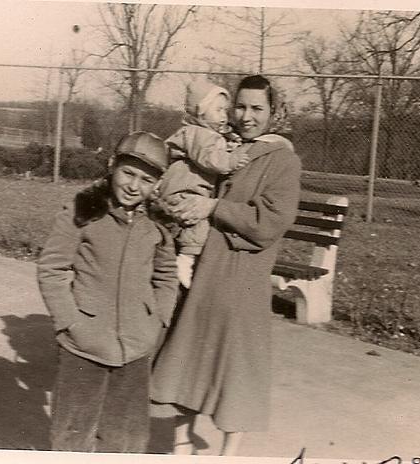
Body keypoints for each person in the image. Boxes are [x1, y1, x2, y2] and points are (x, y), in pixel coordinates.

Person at [151, 75, 302, 456]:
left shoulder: (282, 159)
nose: (247, 116)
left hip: (241, 273)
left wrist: (215, 207)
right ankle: (181, 444)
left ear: (274, 112)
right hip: (203, 270)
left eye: (257, 109)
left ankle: (228, 453)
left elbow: (270, 220)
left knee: (235, 368)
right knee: (188, 356)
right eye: (240, 107)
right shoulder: (220, 144)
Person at [37, 131, 178, 453]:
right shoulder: (83, 210)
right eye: (128, 173)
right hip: (84, 345)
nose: (133, 185)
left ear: (156, 184)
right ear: (112, 166)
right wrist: (70, 322)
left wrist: (156, 320)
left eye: (145, 179)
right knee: (72, 436)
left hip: (136, 349)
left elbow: (167, 275)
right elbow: (52, 267)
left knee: (127, 440)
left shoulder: (158, 223)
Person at [157, 78, 251, 288]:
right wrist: (231, 160)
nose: (224, 116)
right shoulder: (201, 134)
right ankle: (186, 261)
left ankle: (174, 259)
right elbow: (210, 160)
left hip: (176, 189)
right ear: (201, 113)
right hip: (184, 192)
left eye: (225, 110)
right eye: (218, 110)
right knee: (199, 225)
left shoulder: (197, 132)